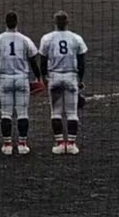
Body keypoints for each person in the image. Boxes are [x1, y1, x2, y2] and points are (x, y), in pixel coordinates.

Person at [0, 11, 41, 155]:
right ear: (17, 22)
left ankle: (7, 145)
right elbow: (32, 61)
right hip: (21, 79)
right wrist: (38, 78)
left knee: (5, 113)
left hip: (5, 79)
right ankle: (22, 145)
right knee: (22, 113)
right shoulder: (25, 40)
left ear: (5, 23)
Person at [39, 11, 89, 155]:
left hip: (54, 77)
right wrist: (80, 80)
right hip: (71, 77)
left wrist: (44, 78)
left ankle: (60, 144)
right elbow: (81, 62)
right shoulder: (76, 38)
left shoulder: (47, 38)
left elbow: (42, 61)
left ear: (54, 22)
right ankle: (71, 145)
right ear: (68, 22)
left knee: (56, 113)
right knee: (72, 113)